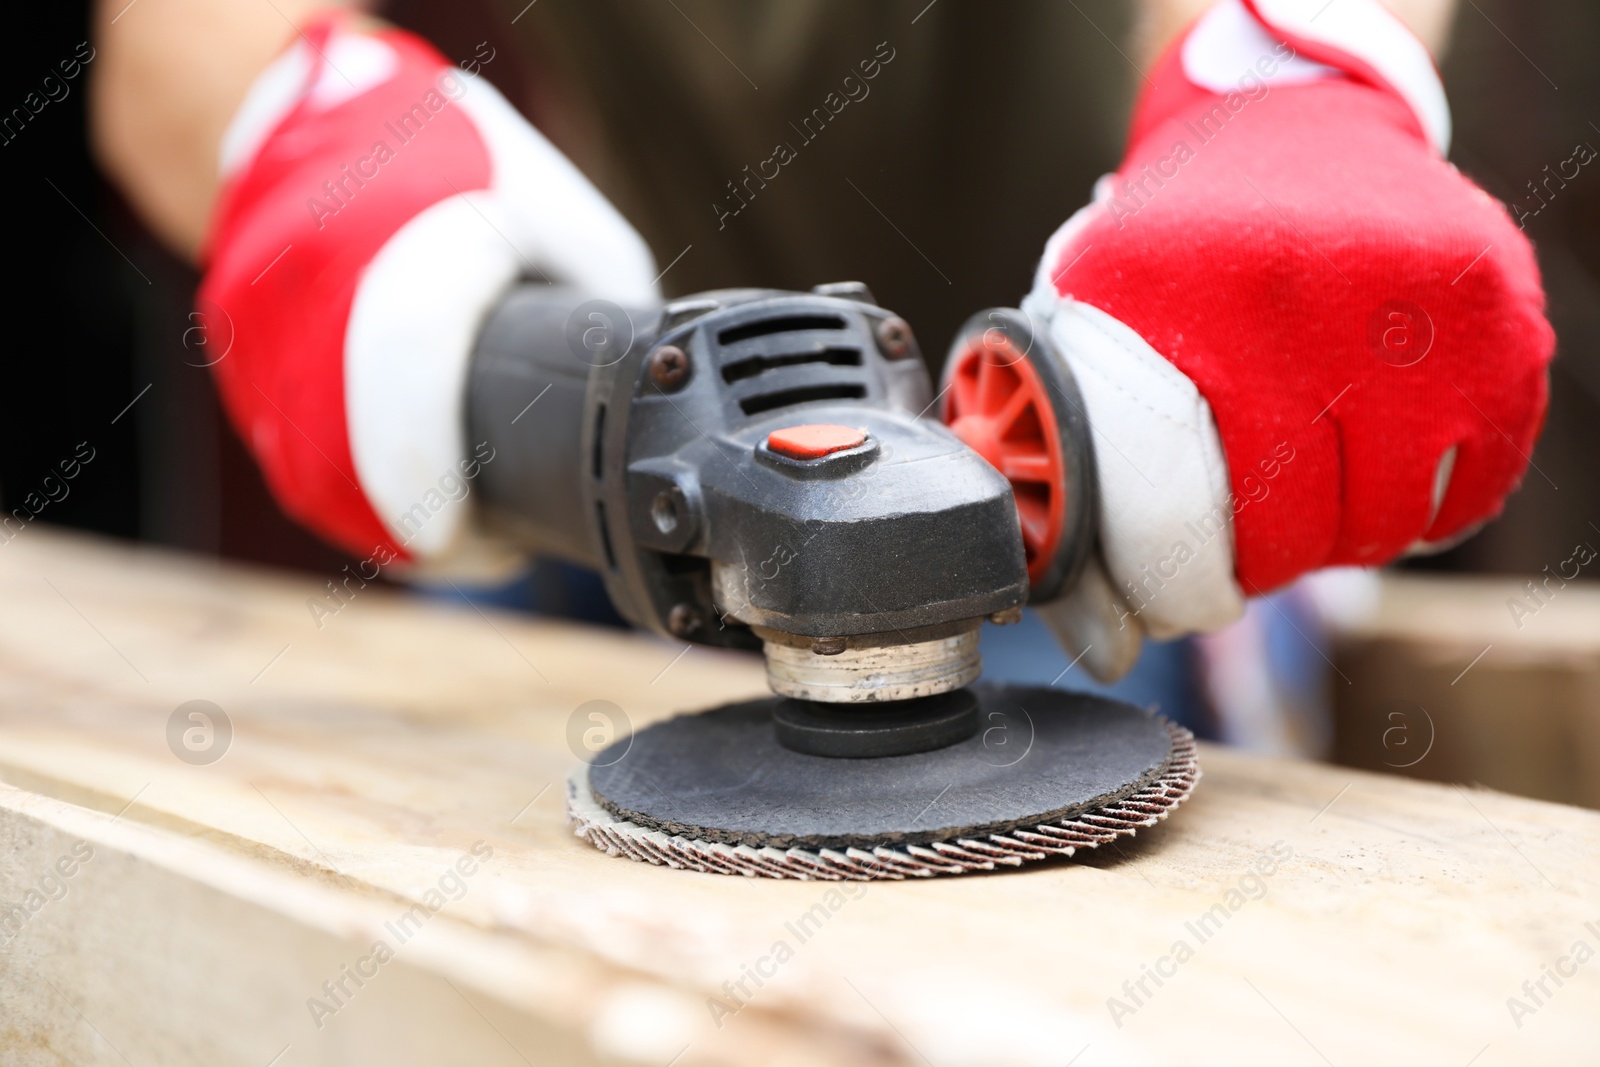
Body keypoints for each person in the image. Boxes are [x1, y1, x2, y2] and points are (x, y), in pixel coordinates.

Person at [90, 0, 1551, 685]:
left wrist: (1280, 85)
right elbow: (179, 36)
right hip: (612, 446)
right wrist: (305, 138)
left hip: (1122, 486)